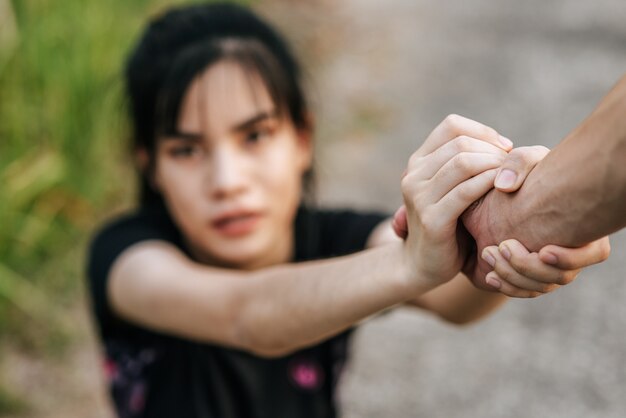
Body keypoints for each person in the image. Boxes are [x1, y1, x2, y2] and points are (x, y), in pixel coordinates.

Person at [86, 3, 609, 417]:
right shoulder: (127, 259)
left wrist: (519, 236)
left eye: (254, 136)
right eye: (186, 149)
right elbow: (245, 314)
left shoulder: (335, 239)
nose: (226, 181)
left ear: (301, 138)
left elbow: (453, 298)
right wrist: (411, 265)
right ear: (149, 165)